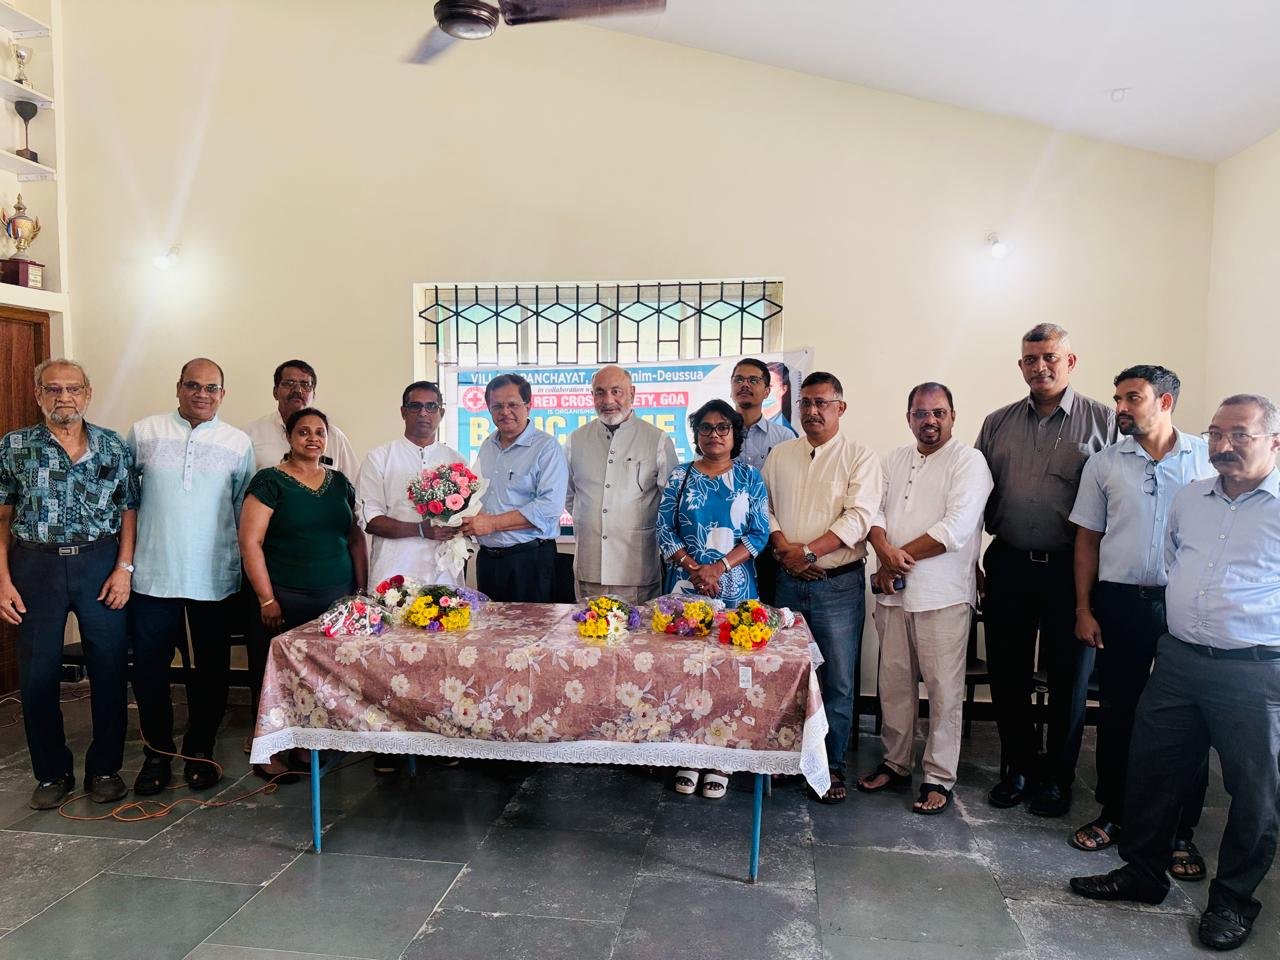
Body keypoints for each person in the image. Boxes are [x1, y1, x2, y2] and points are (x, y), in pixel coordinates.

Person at [1070, 394, 1280, 952]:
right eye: (1215, 434)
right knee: (1152, 769)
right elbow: (1173, 562)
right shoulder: (1192, 498)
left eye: (1239, 435)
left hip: (1255, 670)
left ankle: (1232, 901)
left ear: (1274, 443)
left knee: (1255, 792)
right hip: (1180, 659)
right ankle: (1143, 873)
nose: (1223, 445)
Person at [1066, 365, 1213, 874]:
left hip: (1184, 606)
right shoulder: (1105, 463)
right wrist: (1084, 608)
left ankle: (1180, 832)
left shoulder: (1205, 460)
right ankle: (1115, 812)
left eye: (1132, 398)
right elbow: (1087, 539)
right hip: (1120, 603)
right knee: (1119, 712)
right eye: (1118, 398)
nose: (1120, 408)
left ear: (1165, 402)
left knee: (1188, 720)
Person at [976, 323, 1114, 817]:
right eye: (1031, 359)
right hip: (1009, 562)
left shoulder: (1104, 421)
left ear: (1070, 362)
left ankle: (1056, 778)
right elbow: (974, 497)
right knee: (1008, 674)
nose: (1041, 367)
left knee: (1068, 680)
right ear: (1021, 366)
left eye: (1050, 357)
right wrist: (973, 566)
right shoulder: (997, 423)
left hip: (1071, 572)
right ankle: (1018, 768)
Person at [0, 359, 138, 809]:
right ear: (38, 394)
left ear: (88, 393)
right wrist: (2, 580)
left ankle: (105, 769)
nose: (64, 397)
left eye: (73, 388)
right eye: (53, 389)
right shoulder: (14, 446)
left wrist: (124, 568)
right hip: (35, 566)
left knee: (109, 668)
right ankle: (51, 773)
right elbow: (2, 517)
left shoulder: (113, 446)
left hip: (100, 563)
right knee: (38, 674)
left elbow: (128, 509)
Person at [857, 382, 992, 814]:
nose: (929, 420)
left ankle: (938, 776)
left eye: (938, 413)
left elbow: (955, 528)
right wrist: (884, 551)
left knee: (943, 690)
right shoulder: (895, 459)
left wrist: (894, 559)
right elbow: (874, 511)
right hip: (893, 595)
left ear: (952, 416)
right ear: (908, 417)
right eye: (920, 413)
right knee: (894, 685)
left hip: (943, 596)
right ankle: (896, 763)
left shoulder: (969, 462)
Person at [127, 358, 255, 796]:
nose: (202, 394)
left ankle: (200, 750)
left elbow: (241, 509)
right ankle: (157, 754)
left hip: (213, 576)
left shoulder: (237, 442)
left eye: (211, 387)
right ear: (179, 388)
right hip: (152, 574)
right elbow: (127, 502)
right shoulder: (144, 433)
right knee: (150, 670)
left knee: (211, 670)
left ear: (223, 393)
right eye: (193, 385)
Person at [763, 372, 883, 804]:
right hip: (787, 580)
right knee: (787, 673)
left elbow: (859, 518)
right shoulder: (780, 454)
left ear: (840, 408)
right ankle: (787, 760)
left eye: (822, 403)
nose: (812, 411)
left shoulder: (860, 457)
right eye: (806, 403)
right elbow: (764, 507)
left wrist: (808, 553)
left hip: (837, 585)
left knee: (837, 680)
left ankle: (830, 766)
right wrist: (785, 550)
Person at [239, 407, 367, 781]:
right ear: (289, 437)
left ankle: (305, 745)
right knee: (273, 677)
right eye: (304, 432)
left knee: (318, 677)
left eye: (319, 432)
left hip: (333, 599)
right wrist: (266, 598)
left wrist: (360, 591)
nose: (313, 438)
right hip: (283, 597)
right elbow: (250, 542)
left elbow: (354, 537)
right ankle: (267, 751)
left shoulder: (340, 483)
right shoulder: (269, 481)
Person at [656, 398, 770, 799]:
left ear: (735, 433)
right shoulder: (681, 475)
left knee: (729, 671)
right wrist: (694, 569)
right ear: (696, 435)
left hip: (735, 590)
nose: (714, 434)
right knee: (687, 671)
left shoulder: (750, 477)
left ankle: (722, 758)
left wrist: (718, 568)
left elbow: (759, 534)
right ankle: (688, 752)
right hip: (685, 589)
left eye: (723, 427)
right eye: (706, 427)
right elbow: (664, 530)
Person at [565, 365, 676, 603]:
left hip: (636, 566)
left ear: (632, 393)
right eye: (600, 392)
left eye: (616, 391)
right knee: (588, 625)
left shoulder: (657, 439)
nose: (608, 400)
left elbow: (670, 504)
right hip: (590, 565)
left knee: (640, 627)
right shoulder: (576, 439)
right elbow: (569, 496)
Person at [460, 373, 568, 602]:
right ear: (489, 408)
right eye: (497, 406)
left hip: (530, 561)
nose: (505, 412)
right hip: (489, 560)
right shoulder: (488, 445)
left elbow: (549, 508)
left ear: (528, 405)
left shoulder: (547, 448)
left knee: (531, 625)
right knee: (490, 624)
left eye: (512, 405)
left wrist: (491, 523)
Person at [358, 380, 466, 588]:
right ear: (403, 412)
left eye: (431, 406)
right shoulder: (379, 458)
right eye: (415, 406)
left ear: (441, 413)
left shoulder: (457, 462)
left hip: (444, 573)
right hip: (393, 573)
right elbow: (370, 520)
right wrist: (420, 529)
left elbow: (467, 518)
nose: (423, 413)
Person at [244, 360, 360, 481]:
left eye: (305, 385)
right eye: (289, 383)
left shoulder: (334, 437)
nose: (298, 390)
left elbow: (354, 484)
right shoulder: (250, 434)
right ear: (275, 392)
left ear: (313, 395)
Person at [734, 358, 796, 472]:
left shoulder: (785, 437)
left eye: (753, 380)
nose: (744, 384)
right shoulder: (716, 435)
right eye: (739, 380)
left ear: (767, 391)